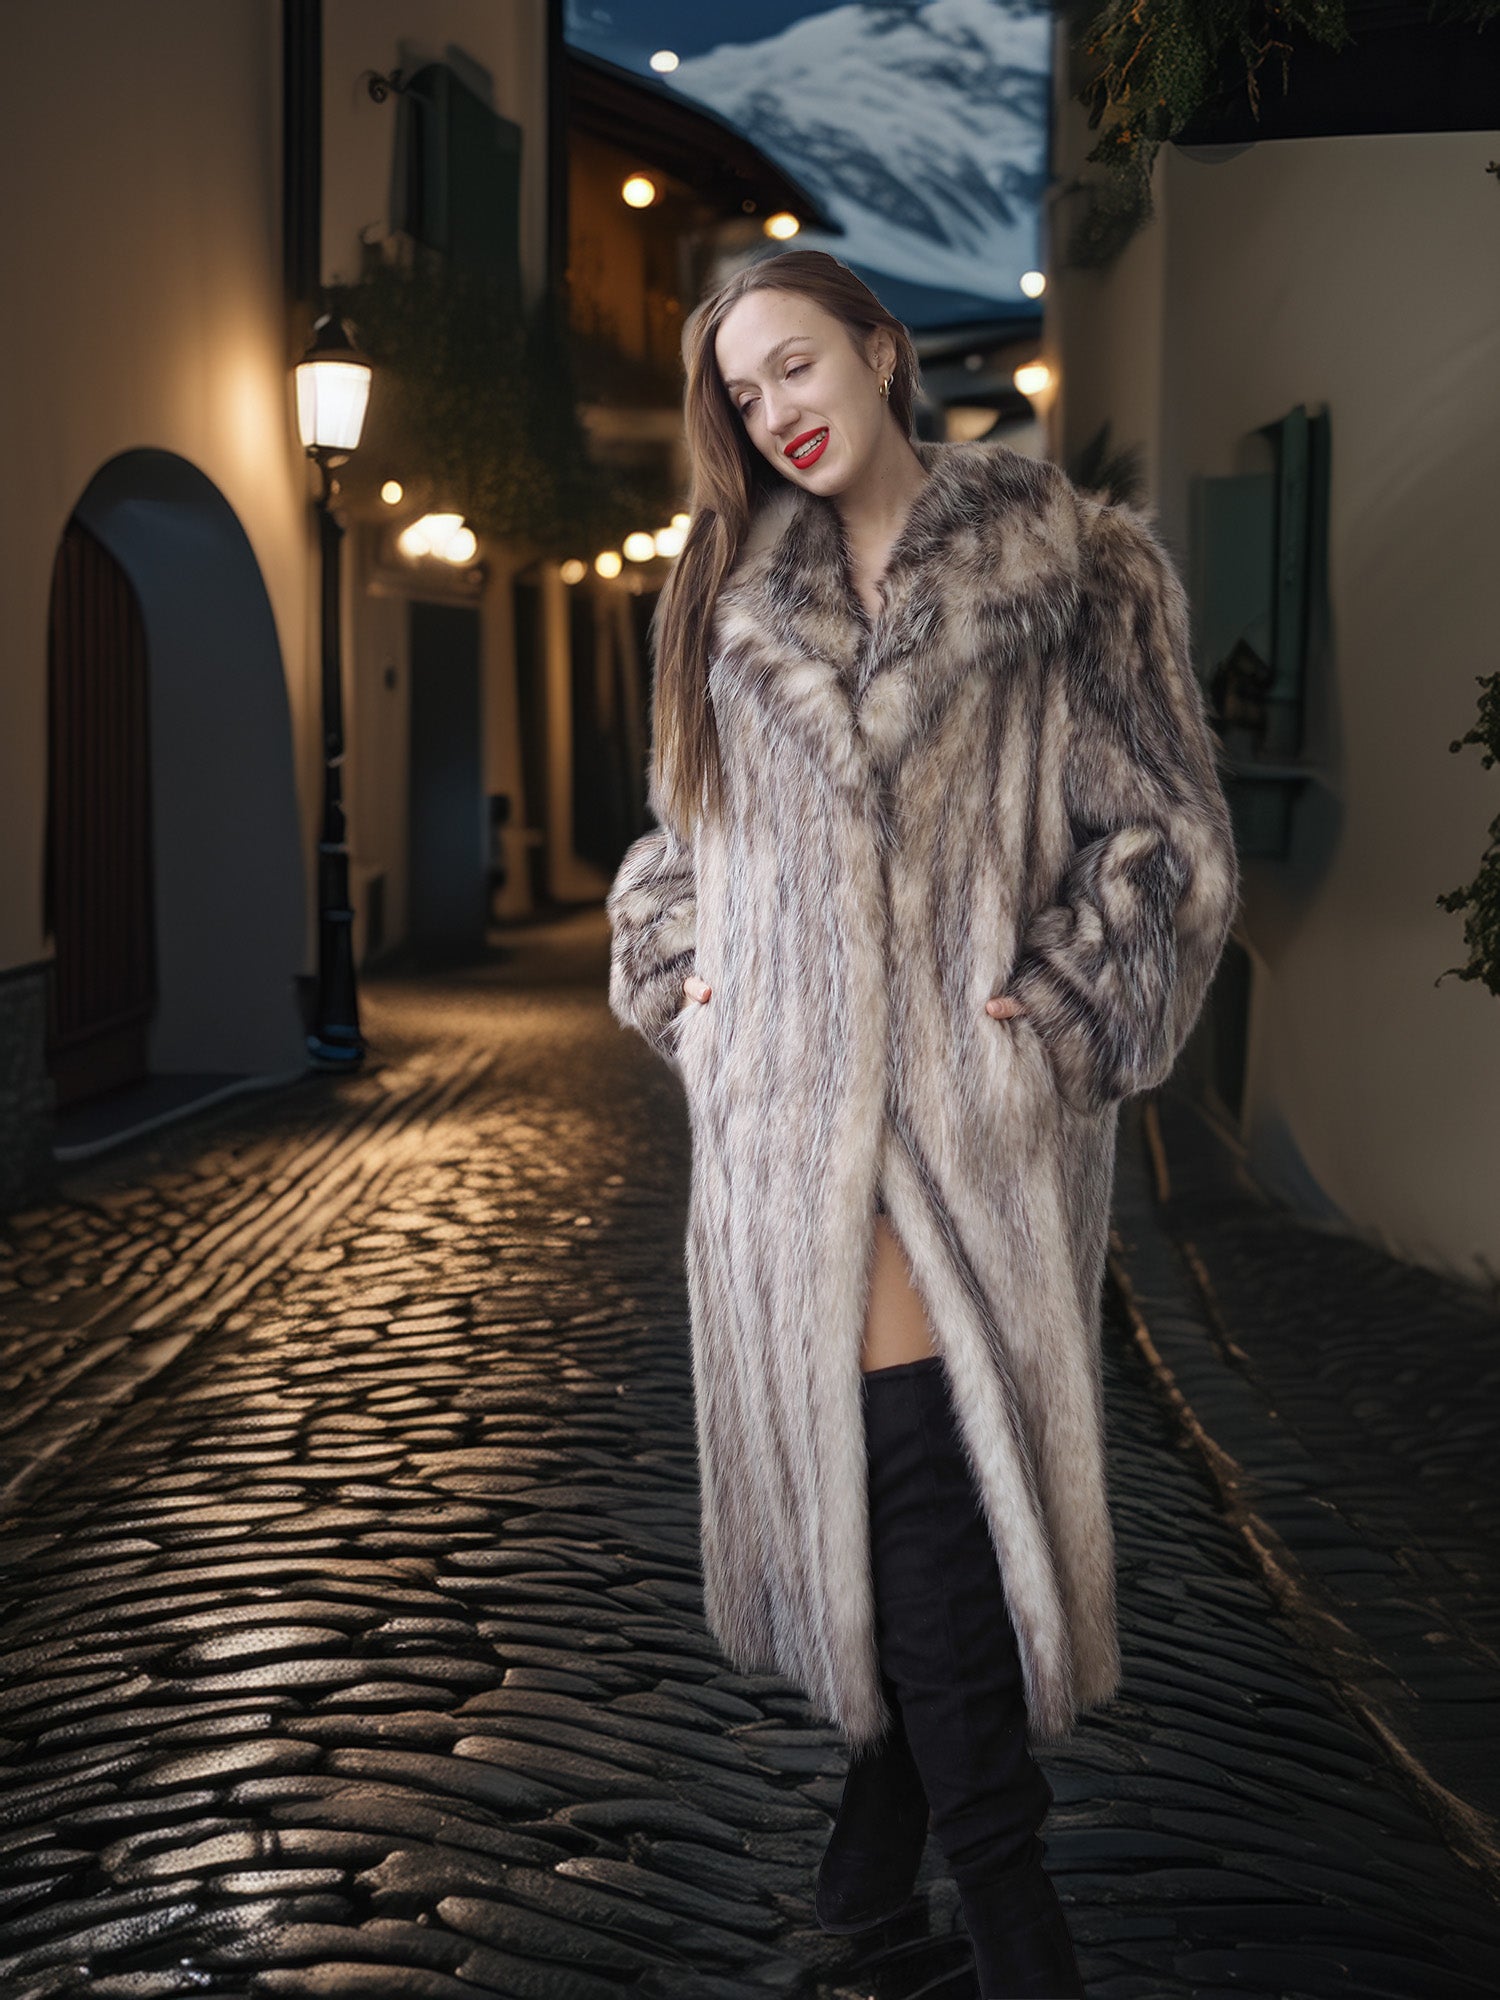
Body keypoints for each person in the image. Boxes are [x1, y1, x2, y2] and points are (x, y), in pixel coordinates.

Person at [606, 250, 1240, 1999]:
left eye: (797, 365)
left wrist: (1063, 1001)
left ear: (881, 350)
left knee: (924, 1491)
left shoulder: (1077, 570)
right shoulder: (722, 591)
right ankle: (929, 1896)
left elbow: (1166, 836)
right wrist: (691, 985)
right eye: (744, 393)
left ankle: (964, 1898)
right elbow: (673, 848)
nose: (777, 411)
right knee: (917, 1496)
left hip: (974, 1120)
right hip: (790, 1133)